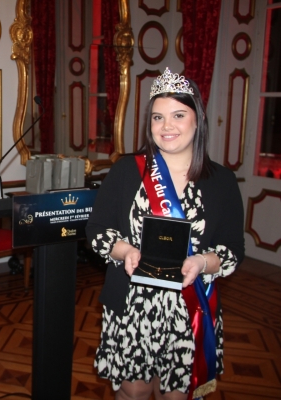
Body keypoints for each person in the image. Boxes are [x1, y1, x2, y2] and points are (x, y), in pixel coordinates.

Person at [85, 68, 244, 400]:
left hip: (190, 310)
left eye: (178, 115)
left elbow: (233, 249)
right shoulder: (127, 170)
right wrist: (125, 251)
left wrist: (202, 262)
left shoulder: (222, 181)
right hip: (131, 306)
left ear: (197, 120)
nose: (167, 126)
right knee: (133, 394)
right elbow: (97, 232)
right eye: (158, 117)